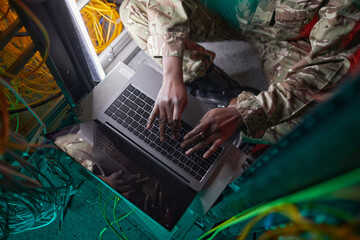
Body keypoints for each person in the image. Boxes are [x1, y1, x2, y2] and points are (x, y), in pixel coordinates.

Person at [119, 0, 360, 159]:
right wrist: (172, 74)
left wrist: (244, 112)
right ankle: (202, 77)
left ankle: (231, 102)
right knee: (135, 10)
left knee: (317, 122)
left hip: (284, 40)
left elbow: (327, 67)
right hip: (223, 15)